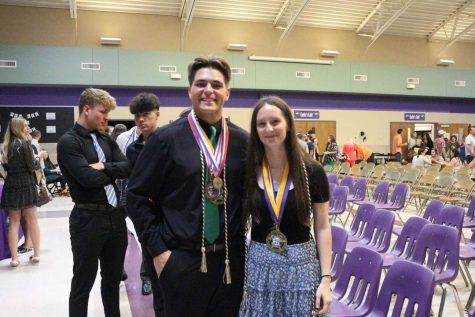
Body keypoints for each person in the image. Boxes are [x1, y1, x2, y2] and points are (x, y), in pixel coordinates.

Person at [127, 55, 249, 317]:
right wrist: (159, 252)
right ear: (189, 90)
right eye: (201, 83)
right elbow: (136, 197)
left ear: (227, 92)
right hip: (182, 260)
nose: (208, 90)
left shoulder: (243, 142)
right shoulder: (164, 140)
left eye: (216, 85)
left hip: (230, 261)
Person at [239, 95, 332, 316]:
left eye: (275, 121)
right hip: (260, 270)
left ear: (288, 124)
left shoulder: (312, 171)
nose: (269, 129)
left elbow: (322, 226)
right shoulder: (248, 171)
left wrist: (326, 280)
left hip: (302, 269)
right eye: (261, 124)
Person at [57, 88, 131, 317]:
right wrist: (113, 171)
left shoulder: (106, 139)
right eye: (102, 112)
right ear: (86, 109)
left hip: (116, 217)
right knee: (83, 281)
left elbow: (128, 167)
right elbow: (88, 180)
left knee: (112, 281)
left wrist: (104, 166)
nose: (106, 117)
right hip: (87, 219)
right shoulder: (69, 142)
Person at [125, 92, 162, 311]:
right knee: (150, 262)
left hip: (170, 214)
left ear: (156, 114)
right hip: (145, 216)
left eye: (146, 115)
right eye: (137, 116)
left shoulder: (169, 142)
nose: (141, 120)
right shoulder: (133, 149)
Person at [1, 117, 47, 267]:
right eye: (25, 126)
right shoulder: (25, 144)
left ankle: (14, 258)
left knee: (13, 223)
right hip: (26, 184)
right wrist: (39, 156)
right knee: (32, 220)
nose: (28, 128)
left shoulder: (6, 146)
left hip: (11, 185)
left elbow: (6, 167)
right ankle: (37, 255)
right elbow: (32, 166)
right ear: (18, 128)